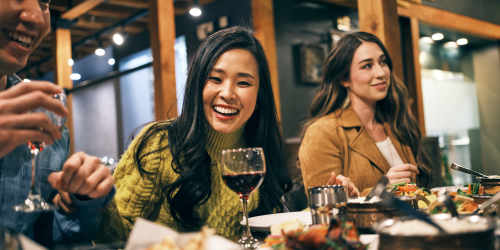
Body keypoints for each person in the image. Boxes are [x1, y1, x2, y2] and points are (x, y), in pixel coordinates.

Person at [96, 26, 291, 242]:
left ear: (259, 92)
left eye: (243, 83)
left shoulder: (259, 153)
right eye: (215, 79)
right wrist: (94, 199)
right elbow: (112, 236)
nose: (227, 94)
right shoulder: (160, 143)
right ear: (197, 84)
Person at [0, 0, 114, 245]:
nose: (37, 18)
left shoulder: (40, 113)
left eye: (44, 3)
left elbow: (50, 236)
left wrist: (81, 198)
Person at [298, 31, 430, 195]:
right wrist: (382, 188)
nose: (381, 73)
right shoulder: (323, 133)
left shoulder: (396, 123)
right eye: (367, 66)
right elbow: (325, 208)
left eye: (383, 62)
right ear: (344, 79)